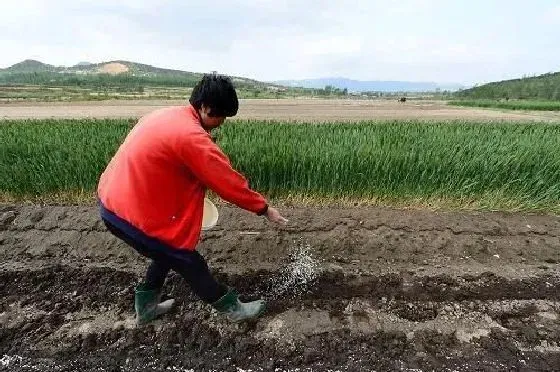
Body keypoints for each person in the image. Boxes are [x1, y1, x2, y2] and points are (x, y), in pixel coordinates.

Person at [97, 74, 288, 325]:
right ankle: (234, 310)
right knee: (188, 260)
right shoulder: (192, 137)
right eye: (221, 117)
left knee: (165, 252)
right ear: (206, 108)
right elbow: (227, 182)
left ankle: (146, 308)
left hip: (113, 203)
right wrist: (263, 209)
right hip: (130, 214)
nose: (221, 123)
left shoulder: (163, 115)